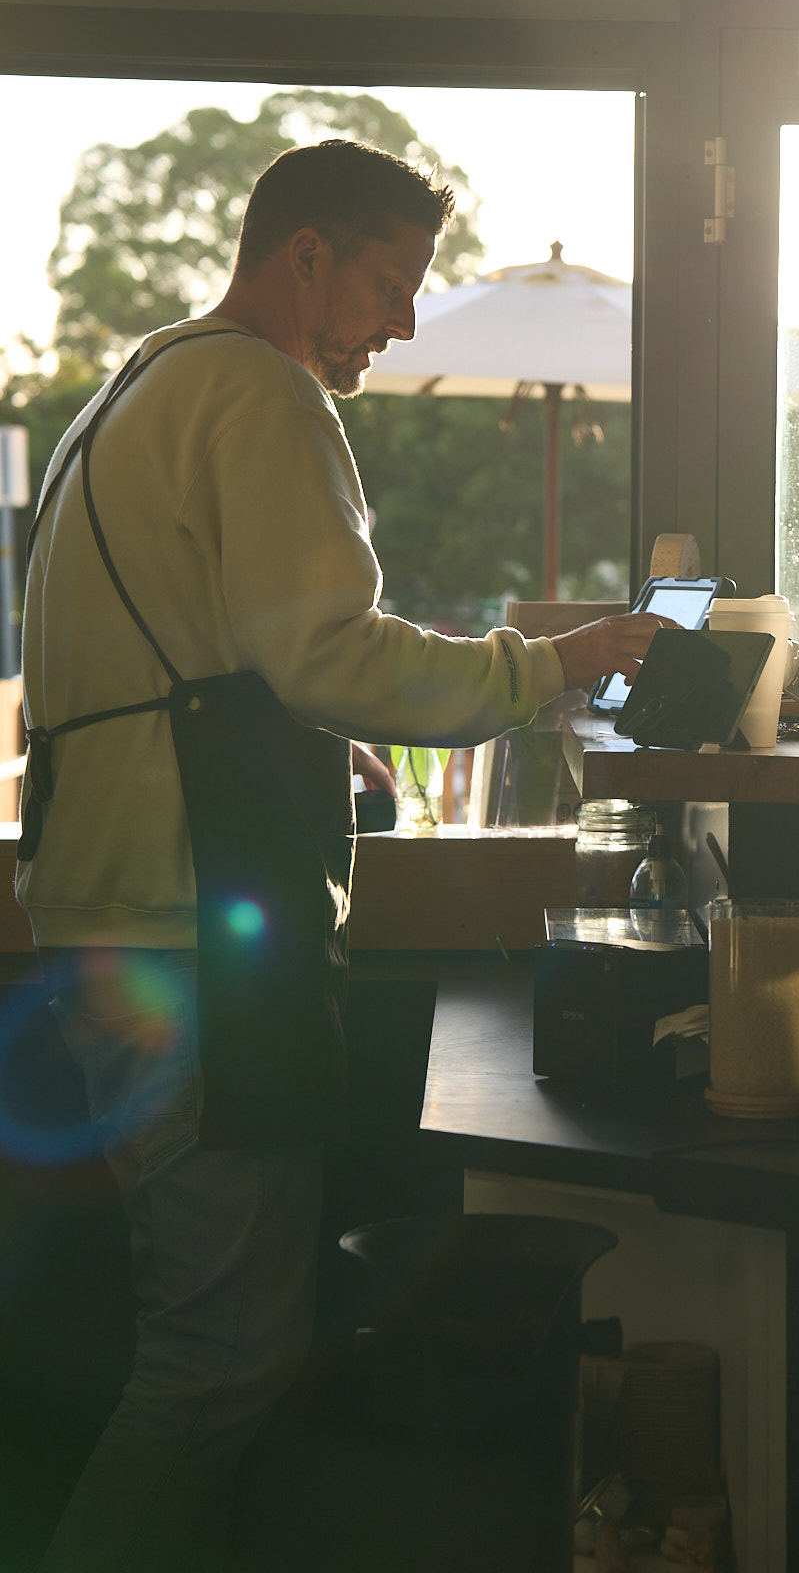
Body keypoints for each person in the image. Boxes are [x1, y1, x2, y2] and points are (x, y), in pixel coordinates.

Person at [18, 137, 667, 1572]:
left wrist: (309, 736)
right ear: (303, 257)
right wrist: (550, 663)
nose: (403, 321)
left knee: (205, 1343)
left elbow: (210, 659)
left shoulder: (140, 383)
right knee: (222, 1359)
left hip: (117, 912)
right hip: (197, 930)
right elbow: (327, 651)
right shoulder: (261, 389)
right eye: (388, 282)